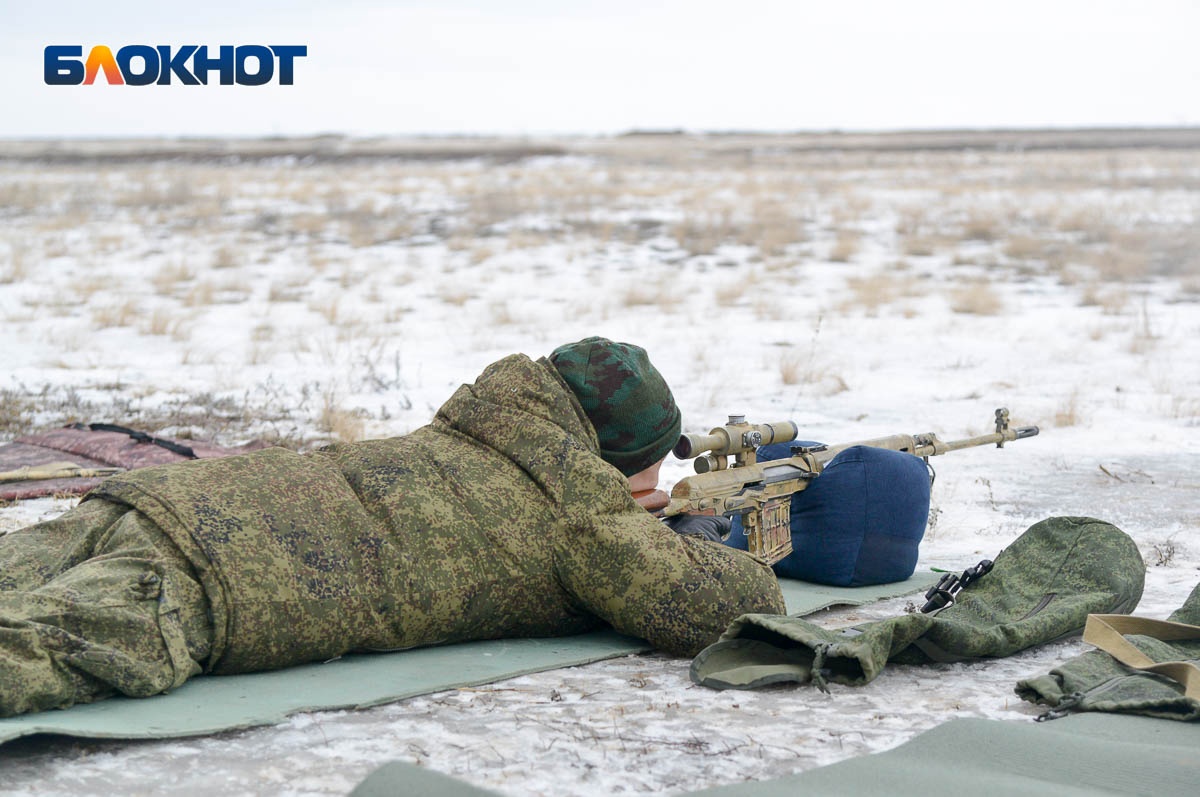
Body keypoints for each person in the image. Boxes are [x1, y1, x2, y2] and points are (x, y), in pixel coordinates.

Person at [0, 337, 784, 718]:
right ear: (618, 456)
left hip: (144, 503)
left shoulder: (478, 432)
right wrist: (697, 539)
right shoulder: (581, 513)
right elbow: (717, 609)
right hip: (203, 582)